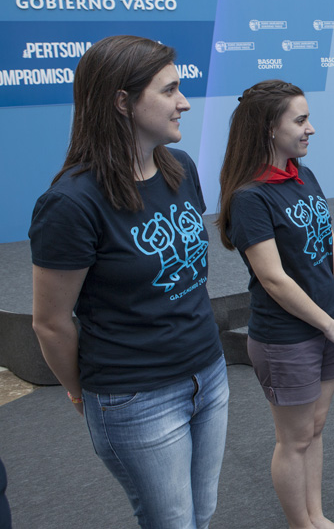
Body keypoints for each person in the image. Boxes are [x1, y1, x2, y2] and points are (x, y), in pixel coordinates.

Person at [30, 35, 229, 529]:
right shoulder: (71, 204)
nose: (183, 102)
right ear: (122, 101)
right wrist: (84, 394)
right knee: (172, 523)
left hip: (208, 372)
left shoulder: (180, 169)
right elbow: (51, 323)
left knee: (201, 515)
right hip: (135, 395)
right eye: (169, 91)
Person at [217, 80, 334, 529]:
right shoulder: (249, 197)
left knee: (313, 430)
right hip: (287, 337)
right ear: (267, 128)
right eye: (300, 120)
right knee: (293, 440)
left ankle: (316, 517)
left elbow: (329, 241)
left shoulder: (302, 174)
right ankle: (301, 525)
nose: (310, 129)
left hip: (328, 327)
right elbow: (273, 279)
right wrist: (328, 324)